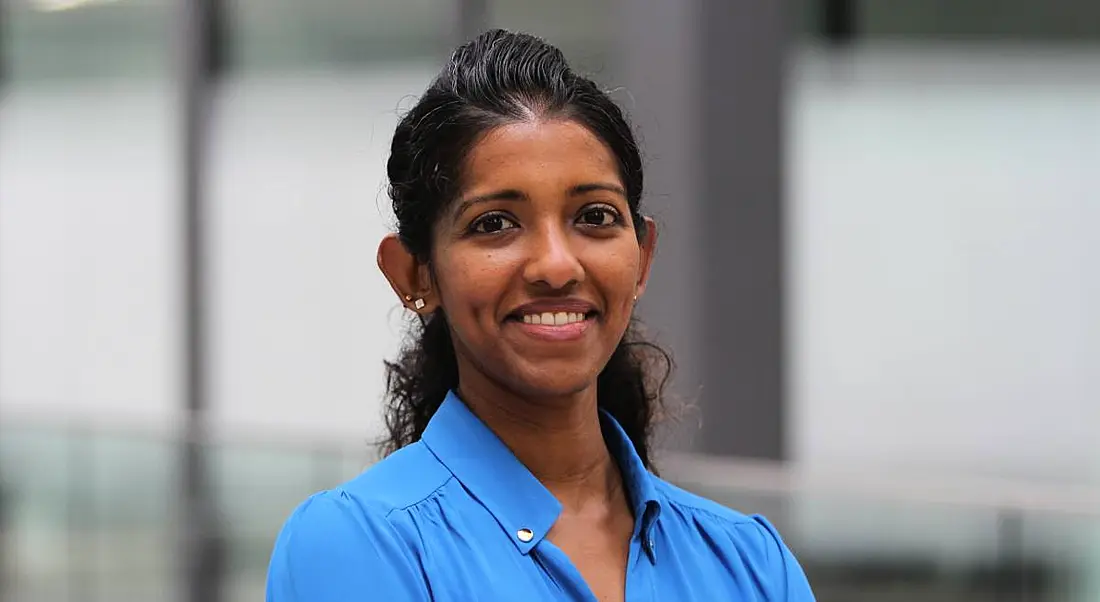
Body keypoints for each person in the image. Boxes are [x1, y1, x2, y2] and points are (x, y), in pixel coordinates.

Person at [265, 29, 815, 601]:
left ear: (643, 257)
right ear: (415, 275)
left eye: (595, 216)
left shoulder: (750, 564)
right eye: (494, 223)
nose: (556, 266)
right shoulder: (356, 544)